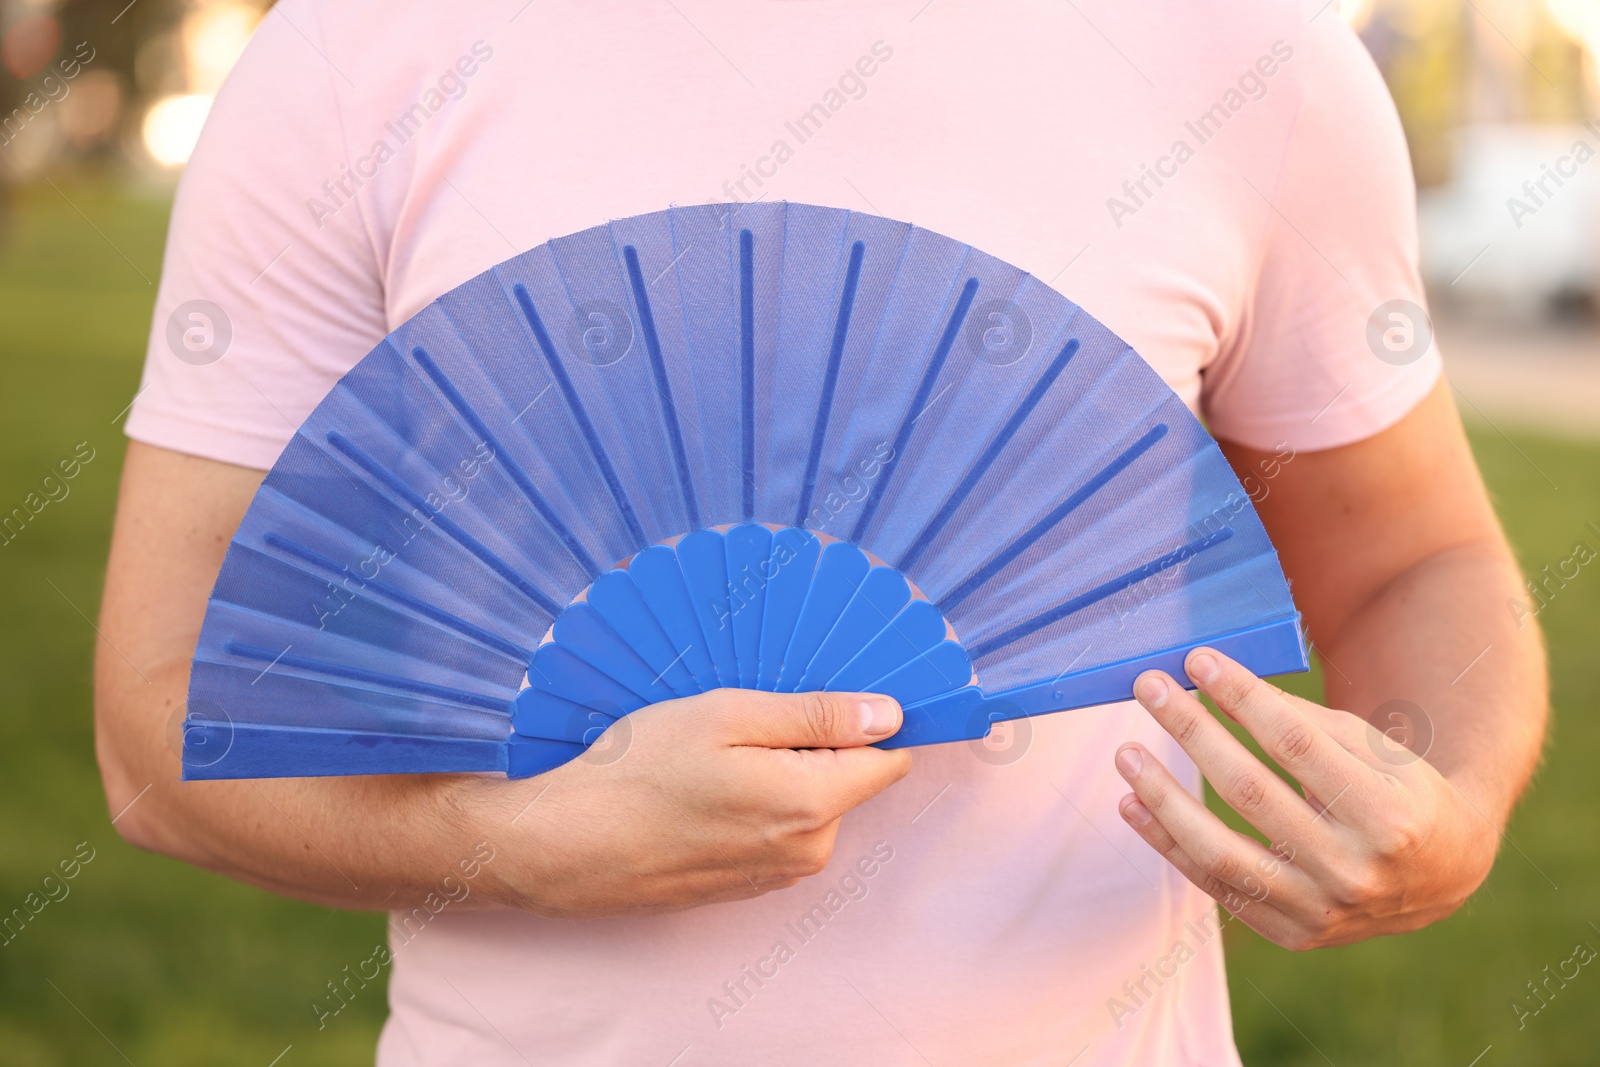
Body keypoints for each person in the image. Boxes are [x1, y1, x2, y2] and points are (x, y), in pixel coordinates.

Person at [95, 2, 1546, 1063]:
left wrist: (1452, 813)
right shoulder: (362, 56)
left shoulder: (1247, 58)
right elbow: (159, 741)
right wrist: (521, 844)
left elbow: (1417, 561)